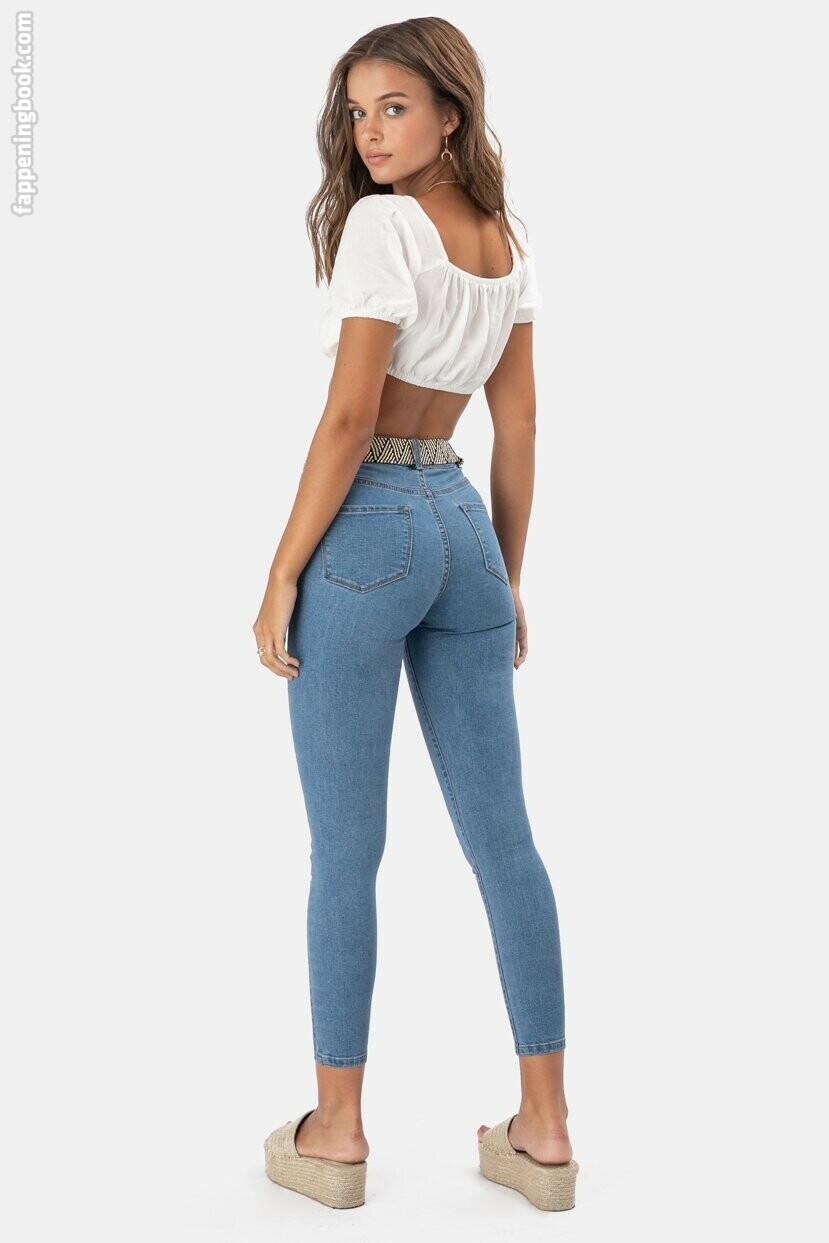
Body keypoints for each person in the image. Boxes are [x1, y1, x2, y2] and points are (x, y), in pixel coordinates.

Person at [254, 17, 579, 1213]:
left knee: (346, 848)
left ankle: (336, 1130)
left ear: (452, 112)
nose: (369, 133)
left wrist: (281, 571)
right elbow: (519, 424)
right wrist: (506, 575)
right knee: (506, 842)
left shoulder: (384, 227)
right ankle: (544, 1127)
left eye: (394, 107)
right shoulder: (504, 241)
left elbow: (349, 420)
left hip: (370, 530)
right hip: (461, 529)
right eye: (355, 112)